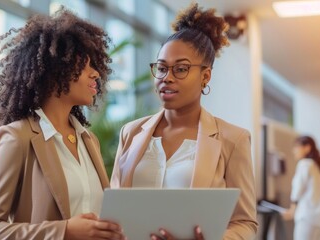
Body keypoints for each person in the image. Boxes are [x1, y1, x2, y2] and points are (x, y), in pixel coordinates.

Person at [110, 3, 258, 240]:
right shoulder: (131, 132)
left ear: (205, 76)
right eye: (161, 68)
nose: (166, 78)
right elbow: (115, 210)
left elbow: (245, 223)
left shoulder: (234, 139)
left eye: (181, 69)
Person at [0, 9, 124, 240]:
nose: (96, 73)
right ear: (56, 68)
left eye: (96, 65)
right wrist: (64, 231)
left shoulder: (89, 140)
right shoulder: (17, 138)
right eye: (86, 63)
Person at [282, 136, 320, 240]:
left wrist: (292, 209)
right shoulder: (319, 167)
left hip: (307, 218)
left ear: (307, 148)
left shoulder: (304, 164)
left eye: (296, 147)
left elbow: (297, 190)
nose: (293, 150)